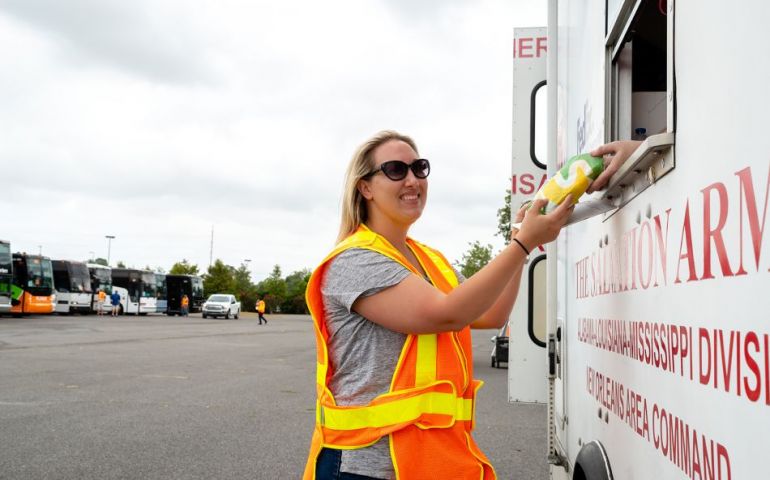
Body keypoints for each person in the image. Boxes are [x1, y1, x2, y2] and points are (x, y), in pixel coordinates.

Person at [303, 130, 573, 480]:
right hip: (365, 466)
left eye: (420, 168)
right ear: (365, 188)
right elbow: (447, 314)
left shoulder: (429, 260)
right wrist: (523, 243)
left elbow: (491, 314)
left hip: (427, 462)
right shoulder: (356, 260)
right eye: (396, 170)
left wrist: (518, 244)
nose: (413, 179)